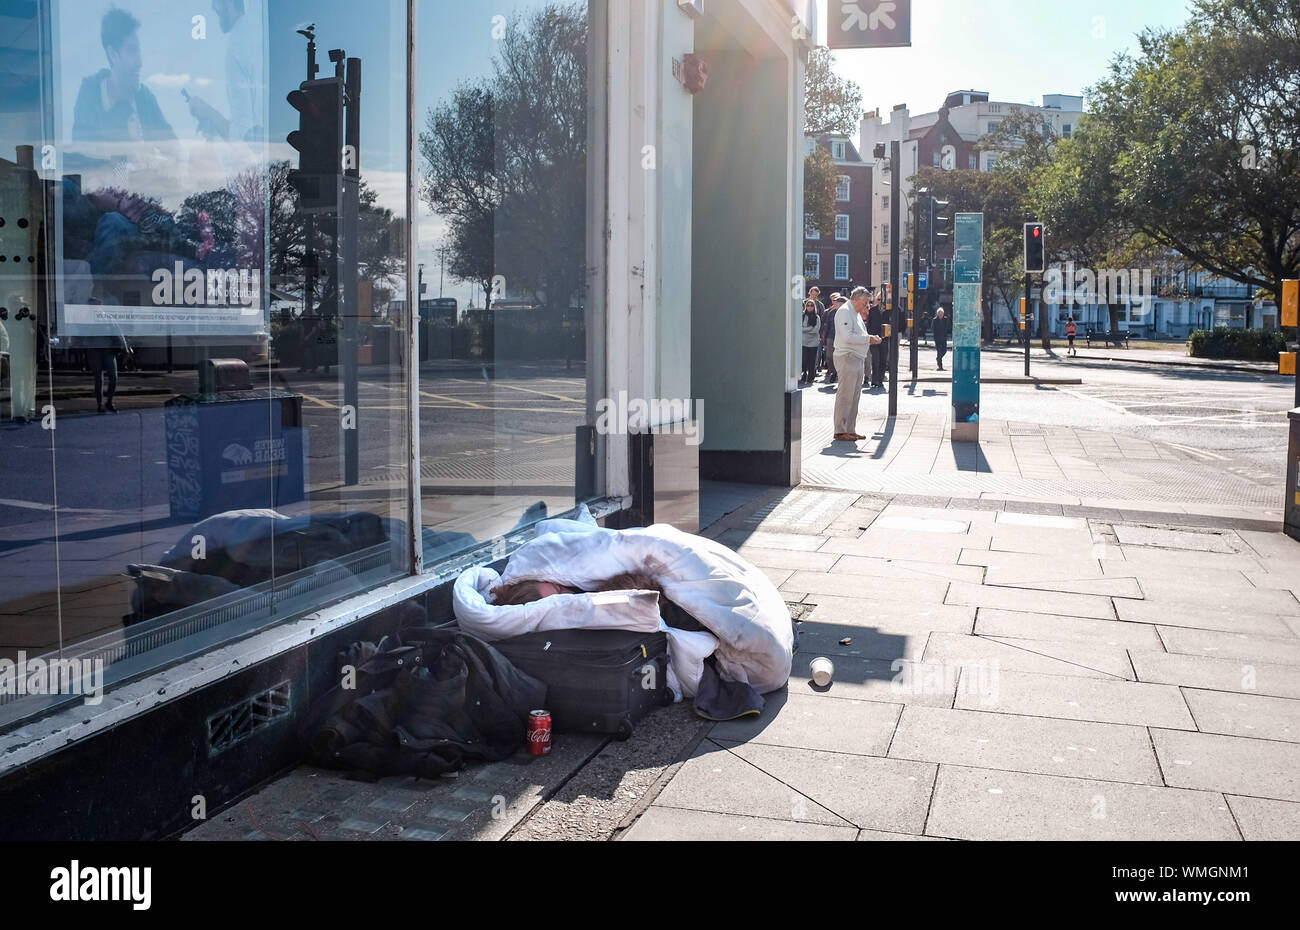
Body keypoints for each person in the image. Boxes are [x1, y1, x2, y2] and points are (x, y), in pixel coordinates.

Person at [73, 8, 175, 143]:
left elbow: (172, 148)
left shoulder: (145, 98)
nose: (140, 62)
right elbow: (84, 156)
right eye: (132, 51)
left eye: (138, 51)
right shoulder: (90, 95)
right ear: (112, 54)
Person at [832, 287, 882, 443]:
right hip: (847, 356)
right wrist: (868, 339)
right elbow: (847, 337)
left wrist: (868, 338)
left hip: (856, 357)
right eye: (865, 303)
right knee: (846, 395)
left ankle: (850, 429)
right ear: (855, 299)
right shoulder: (845, 311)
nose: (866, 306)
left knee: (854, 397)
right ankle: (840, 430)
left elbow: (857, 335)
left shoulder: (854, 313)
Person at [866, 290, 887, 389]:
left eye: (883, 299)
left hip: (885, 338)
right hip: (874, 337)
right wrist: (869, 336)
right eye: (878, 299)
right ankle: (874, 380)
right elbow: (868, 324)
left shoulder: (890, 310)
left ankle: (880, 379)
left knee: (883, 360)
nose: (880, 301)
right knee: (875, 359)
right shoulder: (872, 310)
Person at [820, 293, 843, 384]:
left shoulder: (845, 312)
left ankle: (838, 374)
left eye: (837, 301)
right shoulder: (830, 313)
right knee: (829, 357)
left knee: (839, 357)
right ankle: (833, 371)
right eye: (834, 301)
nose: (835, 303)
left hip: (841, 338)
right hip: (830, 336)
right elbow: (827, 327)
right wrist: (825, 342)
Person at [800, 301, 820, 386]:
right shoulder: (802, 316)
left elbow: (816, 330)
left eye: (812, 305)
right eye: (808, 305)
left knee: (812, 360)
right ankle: (804, 374)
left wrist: (805, 330)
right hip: (803, 342)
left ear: (814, 306)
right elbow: (799, 328)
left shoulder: (816, 317)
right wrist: (809, 328)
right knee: (804, 359)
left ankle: (811, 377)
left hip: (813, 342)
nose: (809, 307)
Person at [932, 306, 951, 371]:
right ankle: (940, 366)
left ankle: (938, 358)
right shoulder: (935, 320)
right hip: (937, 338)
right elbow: (933, 329)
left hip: (944, 338)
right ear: (937, 314)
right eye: (939, 313)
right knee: (939, 352)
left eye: (941, 313)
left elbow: (948, 327)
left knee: (944, 351)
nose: (940, 314)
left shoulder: (946, 319)